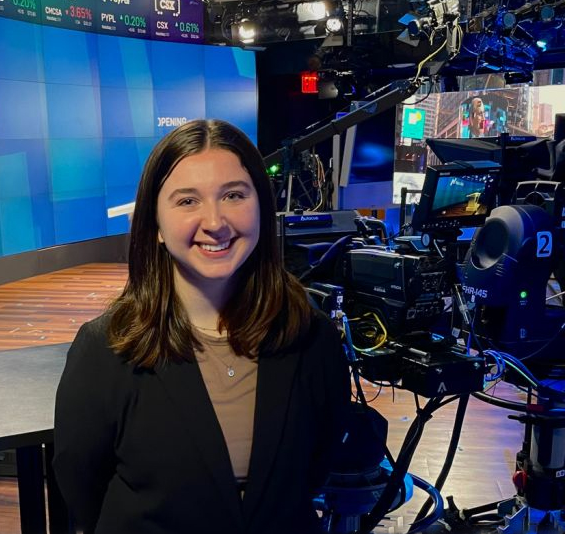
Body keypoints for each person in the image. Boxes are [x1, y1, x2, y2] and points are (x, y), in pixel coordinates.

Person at [53, 119, 351, 533]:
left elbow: (316, 467)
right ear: (155, 224)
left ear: (262, 205)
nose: (215, 222)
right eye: (187, 201)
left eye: (233, 195)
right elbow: (82, 483)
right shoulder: (106, 348)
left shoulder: (311, 337)